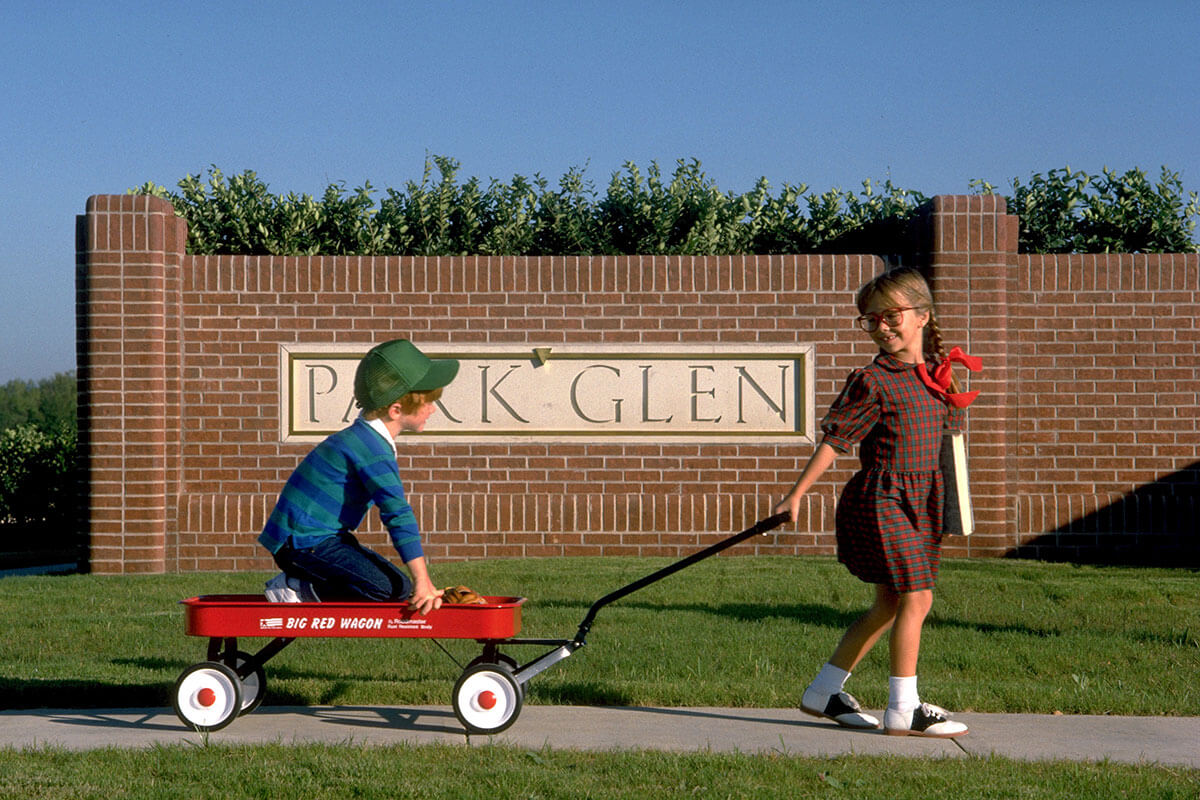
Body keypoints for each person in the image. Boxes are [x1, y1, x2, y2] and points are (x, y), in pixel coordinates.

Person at [774, 267, 980, 738]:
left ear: (923, 315)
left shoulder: (936, 377)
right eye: (871, 320)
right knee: (918, 596)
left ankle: (824, 691)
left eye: (891, 316)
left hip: (923, 500)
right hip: (882, 499)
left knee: (889, 603)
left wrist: (953, 505)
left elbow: (948, 447)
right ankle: (904, 707)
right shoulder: (874, 380)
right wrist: (796, 494)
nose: (881, 327)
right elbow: (835, 440)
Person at [260, 338, 459, 614]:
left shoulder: (365, 439)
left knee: (397, 588)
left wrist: (418, 584)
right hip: (302, 543)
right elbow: (397, 513)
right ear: (396, 410)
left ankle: (304, 584)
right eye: (428, 402)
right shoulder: (370, 449)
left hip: (318, 538)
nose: (433, 409)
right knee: (385, 590)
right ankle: (296, 588)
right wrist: (423, 581)